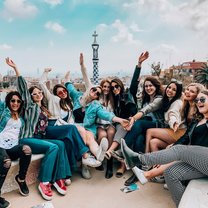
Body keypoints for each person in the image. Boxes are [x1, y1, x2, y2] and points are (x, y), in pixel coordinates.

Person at [121, 90, 208, 207]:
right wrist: (171, 150)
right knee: (170, 173)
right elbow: (185, 138)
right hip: (199, 161)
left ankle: (139, 160)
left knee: (180, 150)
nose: (198, 102)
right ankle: (183, 205)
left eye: (202, 100)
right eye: (197, 100)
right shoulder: (196, 120)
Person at [6, 58, 71, 201]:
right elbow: (23, 89)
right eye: (34, 93)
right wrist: (16, 68)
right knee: (53, 147)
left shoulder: (43, 109)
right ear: (30, 97)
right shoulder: (30, 107)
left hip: (39, 139)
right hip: (27, 138)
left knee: (61, 144)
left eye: (39, 92)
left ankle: (59, 177)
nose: (38, 94)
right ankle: (45, 182)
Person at [105, 51, 148, 178]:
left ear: (121, 85)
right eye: (112, 88)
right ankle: (119, 160)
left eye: (116, 86)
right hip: (122, 125)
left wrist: (139, 64)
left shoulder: (129, 94)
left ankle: (113, 153)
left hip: (134, 124)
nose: (114, 89)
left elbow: (134, 81)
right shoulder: (114, 100)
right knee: (122, 128)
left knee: (138, 139)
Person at [0, 91, 32, 208]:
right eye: (13, 100)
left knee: (27, 149)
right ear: (8, 102)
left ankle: (21, 179)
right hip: (0, 146)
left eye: (18, 101)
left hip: (13, 147)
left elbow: (29, 100)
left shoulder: (21, 118)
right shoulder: (3, 112)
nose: (15, 103)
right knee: (6, 163)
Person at [145, 80, 185, 153]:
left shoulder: (177, 103)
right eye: (169, 87)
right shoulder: (169, 101)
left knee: (149, 131)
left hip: (179, 132)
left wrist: (174, 123)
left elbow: (172, 114)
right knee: (154, 142)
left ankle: (145, 157)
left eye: (174, 90)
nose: (170, 90)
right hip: (174, 131)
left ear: (177, 93)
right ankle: (156, 163)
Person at [96, 79, 116, 178]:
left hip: (110, 123)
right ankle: (100, 160)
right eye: (104, 86)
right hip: (100, 124)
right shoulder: (97, 98)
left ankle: (109, 163)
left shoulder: (113, 99)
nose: (106, 89)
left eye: (108, 87)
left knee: (111, 133)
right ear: (101, 87)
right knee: (103, 135)